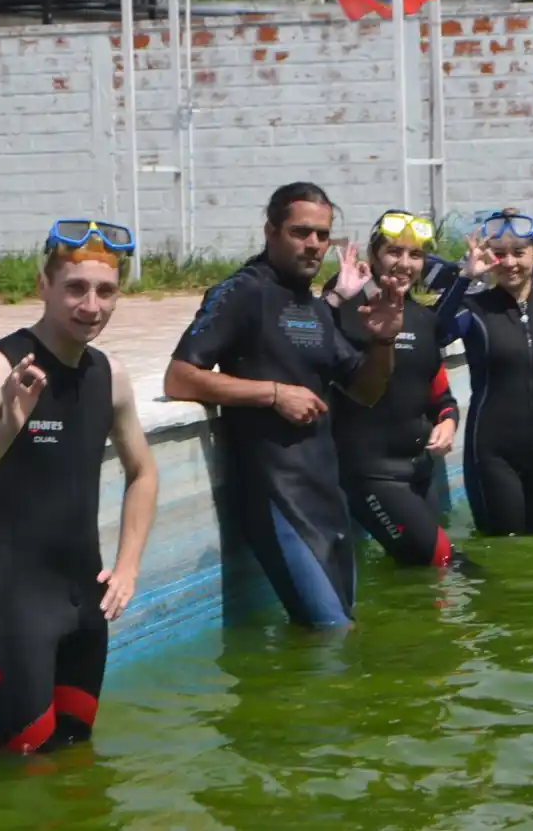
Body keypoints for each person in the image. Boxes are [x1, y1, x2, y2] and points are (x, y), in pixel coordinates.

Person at [0, 219, 158, 754]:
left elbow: (143, 471)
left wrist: (127, 565)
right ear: (43, 287)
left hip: (86, 602)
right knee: (26, 770)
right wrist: (9, 425)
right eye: (76, 288)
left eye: (105, 291)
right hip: (15, 605)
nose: (91, 306)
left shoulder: (111, 375)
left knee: (78, 756)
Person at [164, 183, 405, 628]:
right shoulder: (242, 291)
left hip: (326, 495)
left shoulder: (311, 306)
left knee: (340, 631)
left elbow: (365, 390)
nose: (313, 244)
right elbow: (179, 377)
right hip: (277, 494)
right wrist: (273, 393)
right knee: (331, 633)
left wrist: (384, 341)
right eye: (301, 232)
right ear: (270, 231)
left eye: (322, 235)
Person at [319, 210, 467, 570]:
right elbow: (308, 353)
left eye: (415, 255)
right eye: (394, 252)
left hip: (418, 471)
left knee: (419, 575)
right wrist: (334, 301)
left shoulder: (422, 319)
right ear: (373, 255)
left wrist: (447, 423)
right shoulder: (345, 309)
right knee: (444, 562)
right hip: (369, 475)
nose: (404, 263)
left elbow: (442, 398)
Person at [433, 209, 533, 536]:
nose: (509, 263)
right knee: (502, 546)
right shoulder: (475, 309)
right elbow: (436, 332)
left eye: (518, 253)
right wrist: (465, 277)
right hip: (492, 451)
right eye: (499, 255)